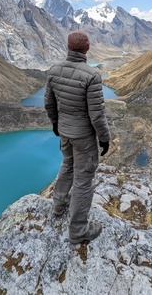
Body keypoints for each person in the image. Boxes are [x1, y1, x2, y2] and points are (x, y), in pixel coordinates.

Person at [44, 30, 110, 244]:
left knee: (68, 164)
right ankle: (78, 230)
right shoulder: (91, 76)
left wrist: (55, 123)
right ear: (87, 48)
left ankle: (58, 205)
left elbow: (49, 103)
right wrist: (104, 137)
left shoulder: (54, 71)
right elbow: (96, 113)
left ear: (69, 47)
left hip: (64, 131)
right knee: (83, 179)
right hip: (83, 137)